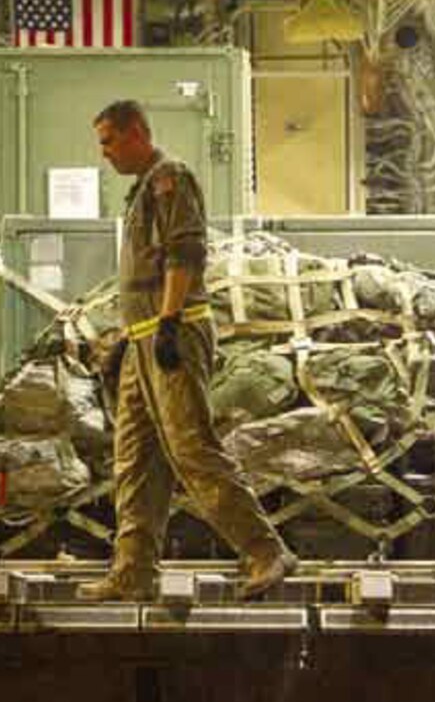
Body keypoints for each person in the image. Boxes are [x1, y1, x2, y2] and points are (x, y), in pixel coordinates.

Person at [79, 101, 294, 601]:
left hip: (172, 332)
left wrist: (171, 322)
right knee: (134, 457)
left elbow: (185, 254)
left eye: (109, 140)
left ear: (137, 133)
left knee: (191, 448)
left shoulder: (169, 178)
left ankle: (265, 551)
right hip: (144, 338)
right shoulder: (140, 192)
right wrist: (126, 339)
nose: (104, 153)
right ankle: (133, 569)